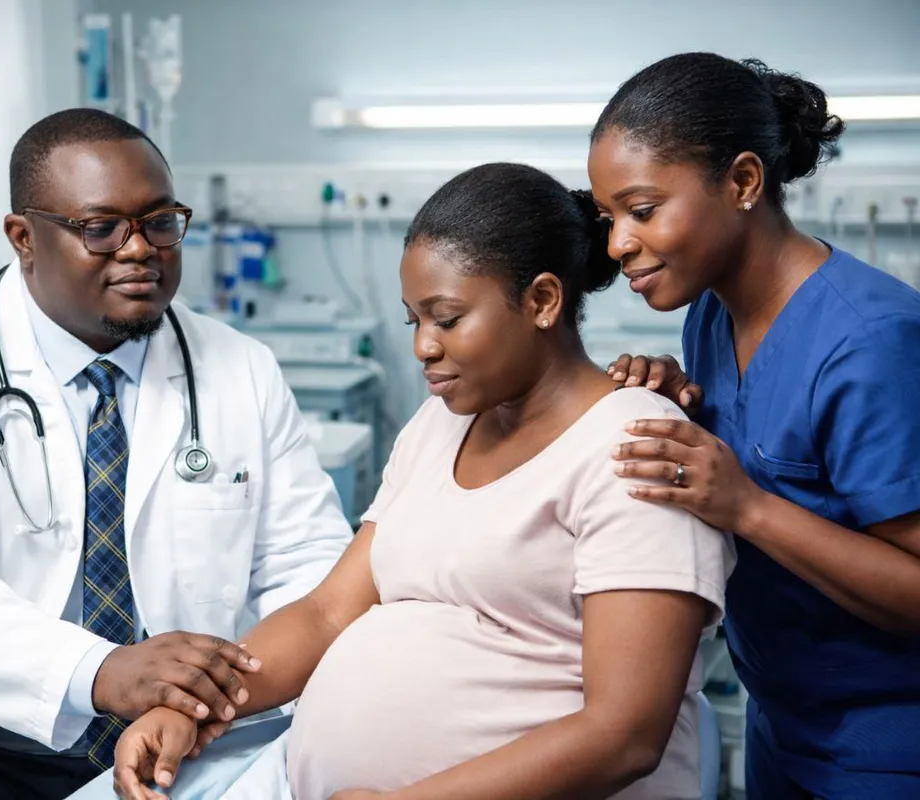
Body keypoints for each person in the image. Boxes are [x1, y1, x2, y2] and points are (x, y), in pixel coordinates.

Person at [0, 108, 352, 800]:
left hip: (180, 734)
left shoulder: (242, 369)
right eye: (100, 228)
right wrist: (102, 671)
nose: (140, 249)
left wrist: (207, 697)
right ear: (24, 237)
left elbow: (309, 573)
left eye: (161, 222)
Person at [113, 163, 736, 800]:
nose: (423, 349)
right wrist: (194, 707)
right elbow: (327, 614)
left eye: (447, 318)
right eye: (415, 321)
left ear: (543, 301)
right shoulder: (438, 425)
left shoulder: (638, 449)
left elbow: (624, 734)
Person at [588, 52, 920, 799]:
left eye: (642, 211)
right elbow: (773, 444)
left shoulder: (871, 341)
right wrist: (684, 407)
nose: (617, 245)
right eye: (610, 217)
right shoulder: (711, 314)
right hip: (781, 723)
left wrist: (746, 506)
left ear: (742, 183)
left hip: (886, 749)